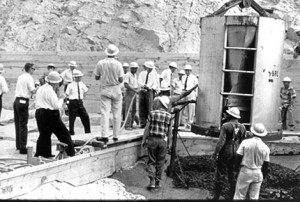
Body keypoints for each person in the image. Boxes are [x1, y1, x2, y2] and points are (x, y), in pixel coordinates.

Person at [35, 71, 75, 158]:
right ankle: (71, 153)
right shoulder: (50, 91)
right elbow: (57, 106)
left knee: (44, 134)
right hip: (50, 114)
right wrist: (62, 98)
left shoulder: (41, 88)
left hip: (39, 112)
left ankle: (42, 154)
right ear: (56, 83)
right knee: (64, 134)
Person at [212, 107, 246, 199]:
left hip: (226, 151)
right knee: (233, 174)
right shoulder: (242, 127)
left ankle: (216, 196)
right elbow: (243, 142)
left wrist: (215, 153)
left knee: (220, 174)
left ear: (229, 115)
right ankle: (232, 196)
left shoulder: (226, 126)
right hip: (237, 151)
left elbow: (221, 141)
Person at [93, 44, 124, 143]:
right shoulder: (118, 64)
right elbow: (121, 79)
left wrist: (104, 76)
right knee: (116, 113)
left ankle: (104, 135)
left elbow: (96, 77)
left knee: (105, 113)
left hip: (105, 88)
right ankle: (116, 135)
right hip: (115, 88)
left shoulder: (100, 63)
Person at [142, 96, 172, 190]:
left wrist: (143, 140)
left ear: (159, 103)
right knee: (160, 162)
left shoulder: (152, 113)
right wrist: (169, 144)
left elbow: (147, 128)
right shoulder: (169, 116)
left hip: (152, 140)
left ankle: (151, 182)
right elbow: (170, 132)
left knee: (151, 161)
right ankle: (158, 183)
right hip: (163, 141)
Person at [234, 123, 270, 200]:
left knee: (239, 196)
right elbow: (266, 165)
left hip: (246, 170)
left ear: (252, 132)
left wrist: (236, 169)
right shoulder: (266, 148)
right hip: (258, 172)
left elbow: (238, 157)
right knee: (254, 197)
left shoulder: (245, 142)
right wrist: (263, 176)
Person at [14, 63, 37, 154]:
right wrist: (37, 87)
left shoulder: (20, 77)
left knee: (18, 123)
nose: (34, 71)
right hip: (23, 101)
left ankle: (18, 145)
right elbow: (32, 90)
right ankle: (23, 148)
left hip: (16, 101)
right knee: (23, 124)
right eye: (33, 69)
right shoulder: (29, 78)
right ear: (30, 69)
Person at [65, 69, 91, 135]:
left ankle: (88, 132)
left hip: (80, 102)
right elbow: (67, 95)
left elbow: (85, 90)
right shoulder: (70, 85)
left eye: (80, 77)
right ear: (75, 77)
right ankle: (71, 133)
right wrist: (67, 104)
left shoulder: (82, 84)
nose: (80, 78)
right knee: (72, 119)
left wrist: (83, 97)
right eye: (78, 77)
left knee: (85, 116)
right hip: (73, 102)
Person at [138, 61, 159, 128]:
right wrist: (143, 85)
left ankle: (149, 123)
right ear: (146, 67)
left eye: (151, 68)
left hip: (149, 91)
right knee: (141, 107)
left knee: (149, 107)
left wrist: (151, 88)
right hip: (142, 91)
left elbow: (155, 83)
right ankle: (142, 123)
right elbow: (139, 81)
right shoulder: (142, 73)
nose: (150, 69)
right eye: (149, 68)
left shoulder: (153, 74)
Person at [181, 64, 198, 129]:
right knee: (184, 109)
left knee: (191, 108)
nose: (187, 72)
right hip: (184, 92)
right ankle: (185, 123)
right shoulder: (183, 77)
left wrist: (196, 95)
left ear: (190, 71)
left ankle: (190, 122)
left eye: (188, 70)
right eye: (186, 70)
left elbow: (196, 87)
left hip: (191, 93)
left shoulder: (194, 77)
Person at [124, 62, 139, 130]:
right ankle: (127, 125)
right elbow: (126, 85)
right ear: (131, 68)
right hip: (129, 92)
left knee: (134, 110)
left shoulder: (135, 75)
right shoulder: (128, 75)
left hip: (134, 92)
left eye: (136, 68)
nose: (135, 70)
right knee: (128, 109)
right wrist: (134, 90)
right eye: (133, 68)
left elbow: (136, 84)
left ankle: (131, 123)